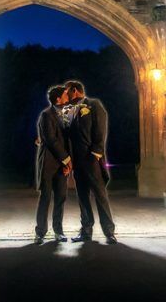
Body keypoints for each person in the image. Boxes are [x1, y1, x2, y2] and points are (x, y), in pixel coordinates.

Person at [63, 79, 116, 244]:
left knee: (100, 195)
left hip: (92, 159)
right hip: (77, 161)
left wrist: (96, 154)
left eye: (67, 91)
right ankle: (86, 231)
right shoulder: (69, 110)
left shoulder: (93, 105)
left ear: (75, 90)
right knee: (82, 197)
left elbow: (100, 130)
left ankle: (109, 232)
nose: (65, 94)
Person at [34, 85, 71, 244]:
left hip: (62, 165)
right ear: (58, 99)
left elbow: (68, 140)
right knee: (46, 198)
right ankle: (40, 233)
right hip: (49, 163)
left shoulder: (67, 114)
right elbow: (51, 139)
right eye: (65, 95)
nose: (68, 97)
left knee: (61, 198)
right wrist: (66, 159)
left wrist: (68, 162)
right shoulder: (46, 115)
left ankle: (58, 231)